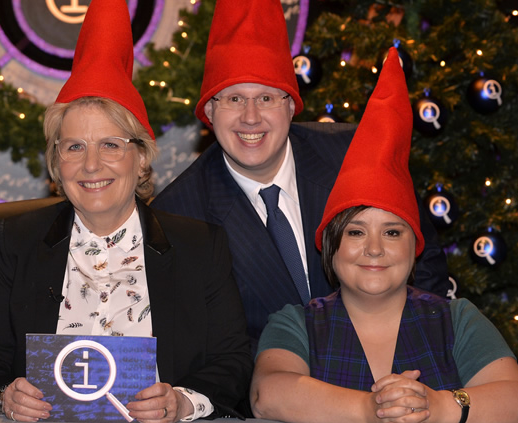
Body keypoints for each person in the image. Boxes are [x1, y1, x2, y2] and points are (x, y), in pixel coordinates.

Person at [0, 0, 252, 423]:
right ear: (56, 163)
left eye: (111, 145)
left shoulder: (199, 246)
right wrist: (3, 395)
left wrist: (183, 402)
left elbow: (233, 361)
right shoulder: (17, 241)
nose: (91, 165)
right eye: (74, 147)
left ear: (141, 159)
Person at [250, 48, 518, 423]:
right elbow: (268, 395)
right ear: (331, 248)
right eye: (356, 232)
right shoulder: (295, 323)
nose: (375, 248)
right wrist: (372, 410)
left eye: (392, 232)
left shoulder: (457, 319)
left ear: (414, 247)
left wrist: (440, 406)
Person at [151, 0, 449, 345]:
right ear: (209, 111)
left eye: (266, 98)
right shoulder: (176, 216)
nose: (250, 117)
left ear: (291, 106)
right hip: (263, 393)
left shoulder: (354, 154)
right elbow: (201, 347)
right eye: (233, 99)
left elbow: (423, 267)